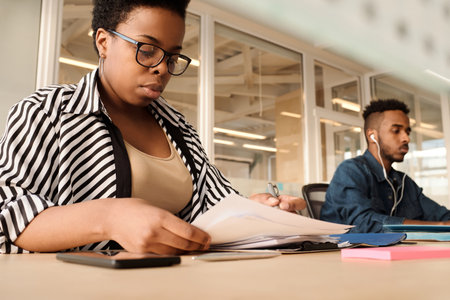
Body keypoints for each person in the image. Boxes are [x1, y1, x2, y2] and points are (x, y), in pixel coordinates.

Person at [0, 0, 305, 254]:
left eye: (172, 57)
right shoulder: (47, 112)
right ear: (104, 42)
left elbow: (216, 203)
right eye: (147, 50)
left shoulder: (179, 128)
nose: (162, 68)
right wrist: (108, 216)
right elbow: (8, 216)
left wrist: (256, 209)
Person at [320, 99, 450, 232]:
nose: (406, 138)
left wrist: (444, 223)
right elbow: (363, 223)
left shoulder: (404, 182)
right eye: (396, 130)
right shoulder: (350, 171)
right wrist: (439, 226)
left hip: (394, 251)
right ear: (372, 136)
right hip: (345, 252)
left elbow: (443, 217)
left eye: (407, 131)